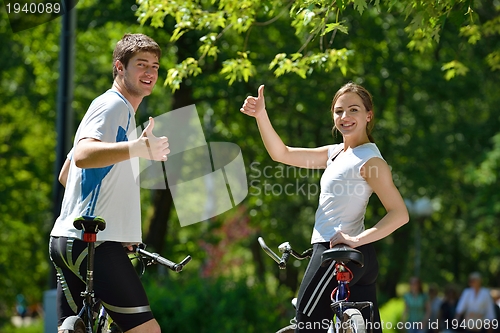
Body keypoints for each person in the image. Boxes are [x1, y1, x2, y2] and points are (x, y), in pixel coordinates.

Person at [240, 83, 409, 333]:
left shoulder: (370, 160)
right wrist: (261, 114)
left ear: (368, 115)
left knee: (307, 326)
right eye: (339, 111)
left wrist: (355, 238)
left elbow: (399, 214)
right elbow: (282, 153)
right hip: (356, 259)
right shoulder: (336, 153)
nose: (345, 117)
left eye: (353, 110)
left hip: (335, 254)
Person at [50, 33, 170, 333]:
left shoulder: (113, 109)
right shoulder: (113, 105)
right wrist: (137, 149)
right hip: (92, 244)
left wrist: (118, 226)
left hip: (67, 241)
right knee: (146, 330)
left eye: (155, 66)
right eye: (141, 64)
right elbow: (82, 155)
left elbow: (67, 175)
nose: (150, 73)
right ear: (120, 67)